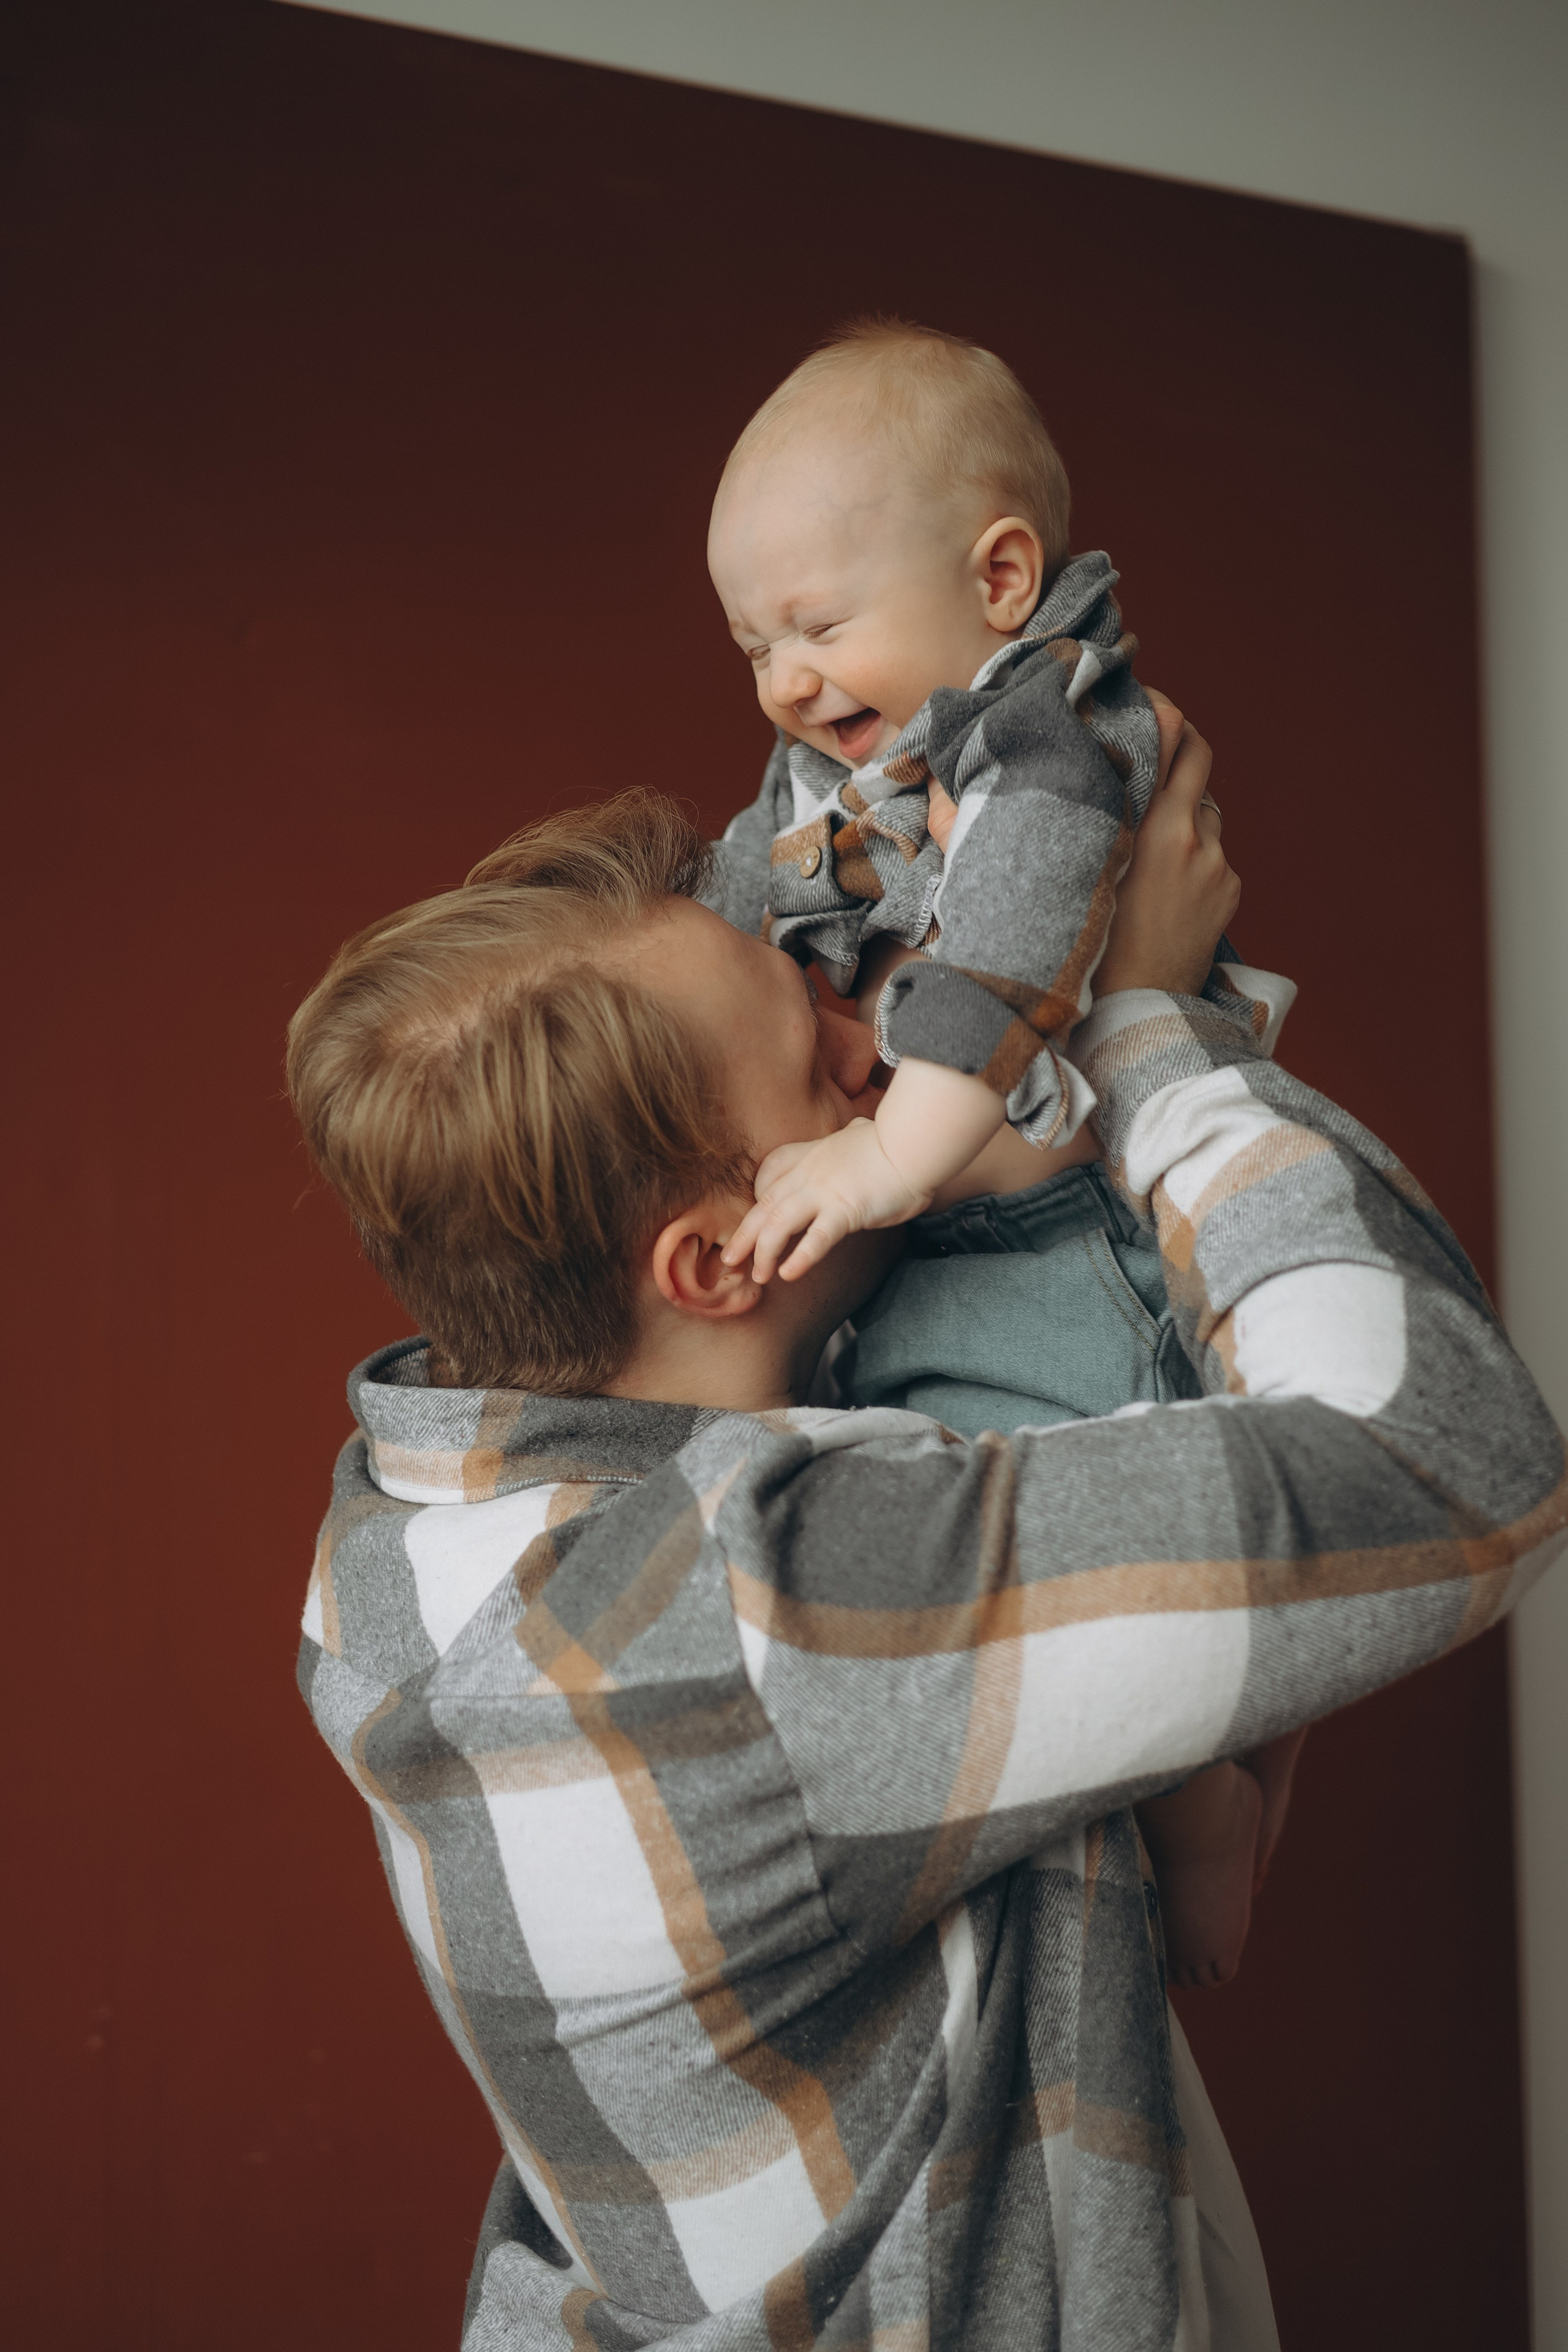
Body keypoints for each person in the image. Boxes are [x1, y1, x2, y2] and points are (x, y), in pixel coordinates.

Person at [287, 763, 1564, 2352]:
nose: (883, 1046)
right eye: (818, 1062)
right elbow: (1447, 1450)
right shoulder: (775, 1602)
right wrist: (1147, 1027)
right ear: (714, 1260)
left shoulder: (398, 1535)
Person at [705, 318, 1300, 1982]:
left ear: (1002, 580)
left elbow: (1011, 950)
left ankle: (1208, 1841)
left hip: (1065, 1255)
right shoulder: (840, 771)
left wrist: (888, 1160)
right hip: (951, 1270)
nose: (785, 680)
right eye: (752, 645)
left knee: (1099, 1587)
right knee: (972, 1587)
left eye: (817, 625)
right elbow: (741, 901)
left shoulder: (1053, 735)